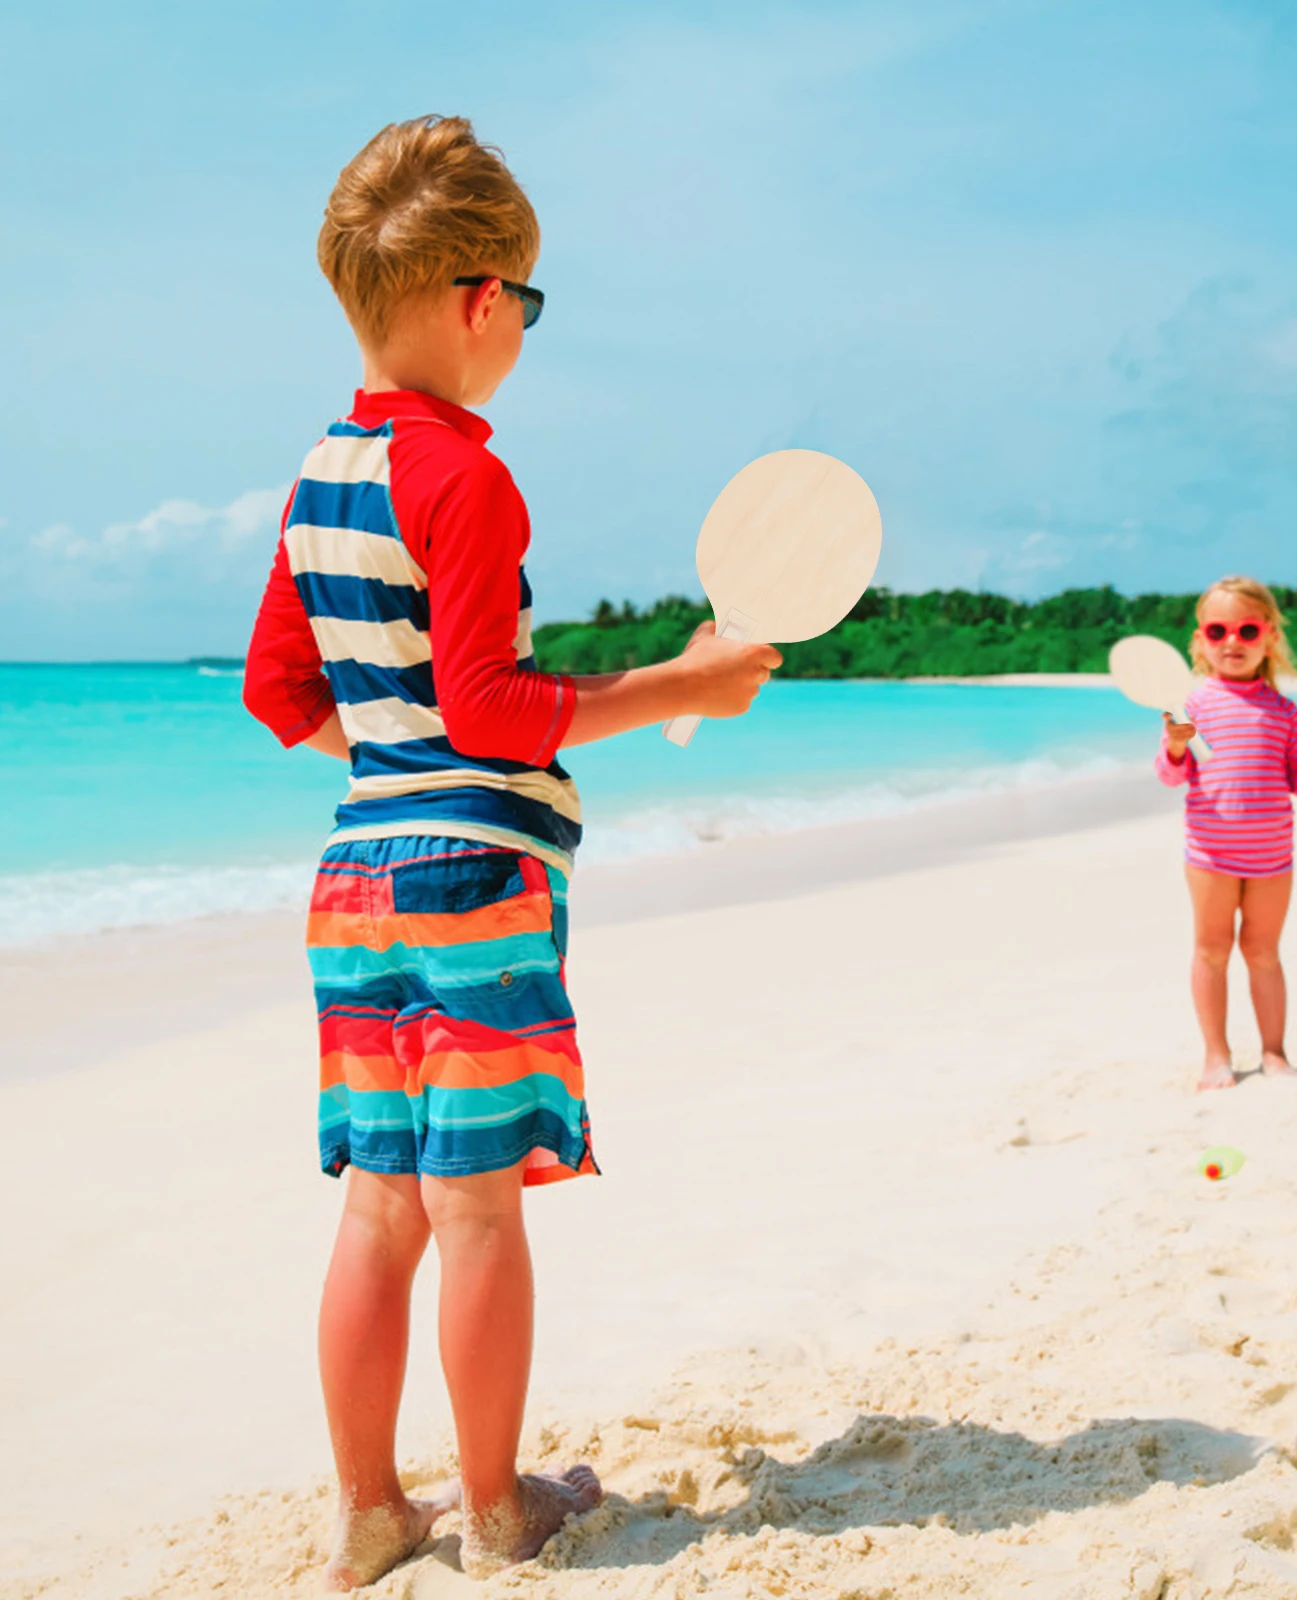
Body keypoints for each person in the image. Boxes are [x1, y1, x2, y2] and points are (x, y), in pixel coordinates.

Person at [242, 115, 780, 1589]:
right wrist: (688, 685)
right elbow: (488, 707)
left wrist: (397, 768)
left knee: (381, 1205)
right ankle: (494, 1509)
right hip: (477, 879)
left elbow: (278, 691)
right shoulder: (466, 478)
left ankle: (368, 1507)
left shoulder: (317, 480)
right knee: (477, 1212)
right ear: (485, 300)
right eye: (526, 307)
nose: (522, 334)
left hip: (354, 881)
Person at [1155, 576, 1297, 1092]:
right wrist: (1173, 744)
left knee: (1263, 953)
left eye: (1247, 630)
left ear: (1269, 637)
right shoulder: (1192, 708)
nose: (1232, 642)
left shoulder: (1284, 712)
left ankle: (1275, 1054)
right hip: (1209, 854)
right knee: (1211, 951)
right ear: (1199, 641)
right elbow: (1171, 775)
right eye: (1218, 631)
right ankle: (1216, 1057)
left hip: (1272, 856)